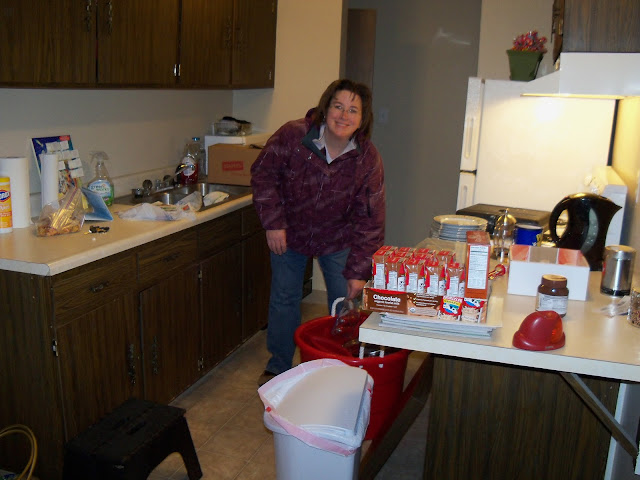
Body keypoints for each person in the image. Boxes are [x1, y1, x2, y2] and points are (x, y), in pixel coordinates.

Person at [251, 79, 386, 385]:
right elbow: (263, 174)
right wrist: (273, 222)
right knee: (284, 299)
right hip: (289, 233)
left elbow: (371, 219)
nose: (344, 115)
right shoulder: (293, 135)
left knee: (345, 303)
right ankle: (278, 366)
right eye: (338, 106)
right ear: (326, 108)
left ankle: (340, 369)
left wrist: (359, 271)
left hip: (338, 239)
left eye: (353, 110)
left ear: (362, 119)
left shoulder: (367, 159)